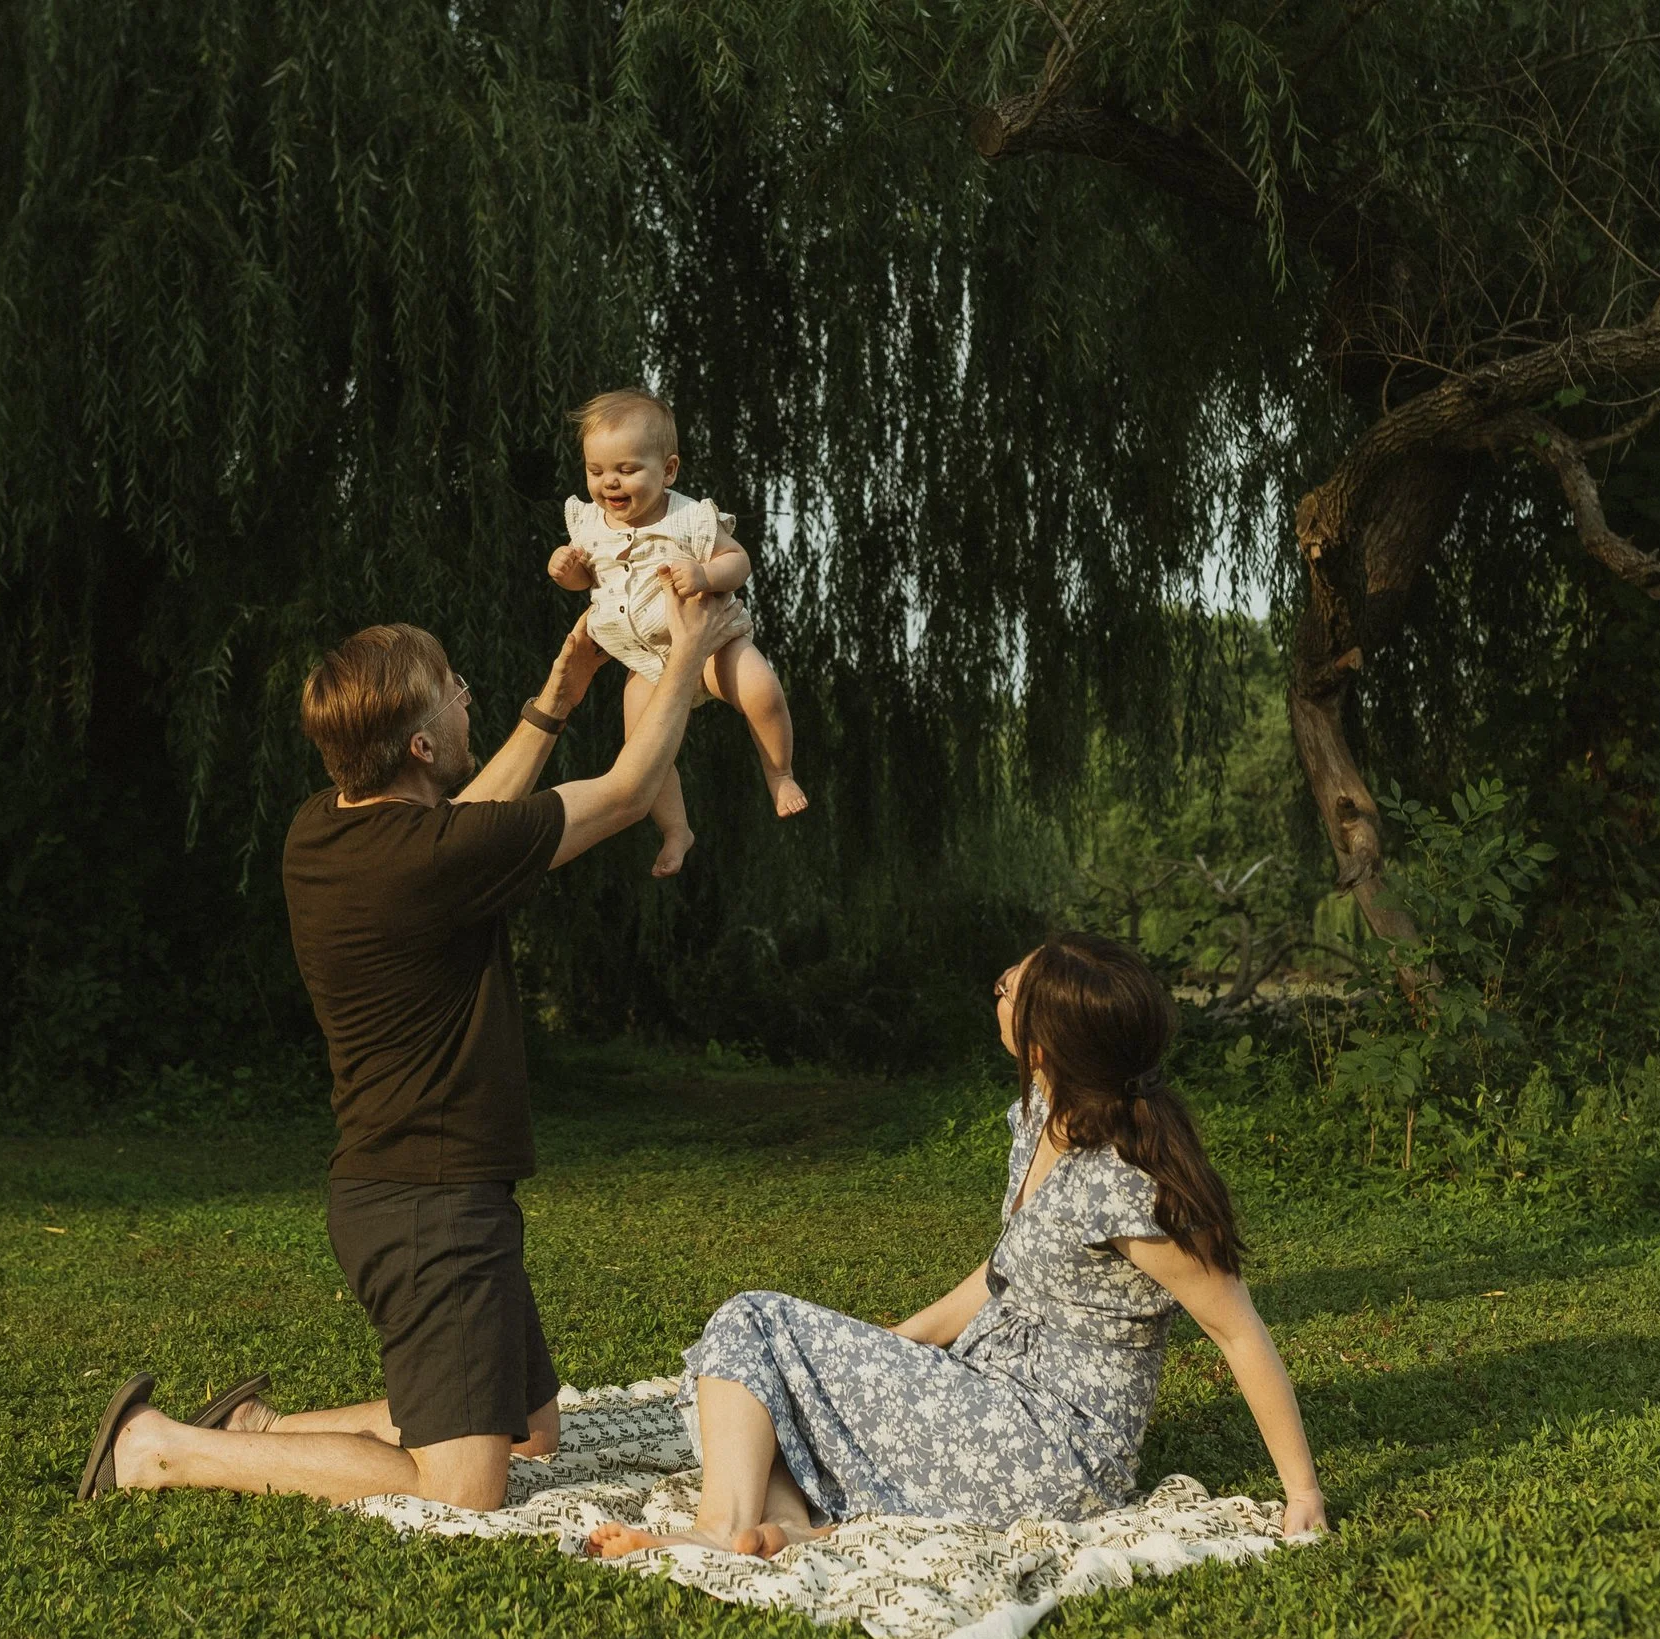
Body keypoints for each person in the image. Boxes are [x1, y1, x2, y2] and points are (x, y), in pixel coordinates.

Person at [75, 581, 750, 1511]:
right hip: (429, 1206)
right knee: (466, 1486)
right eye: (454, 688)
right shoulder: (433, 860)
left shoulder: (321, 830)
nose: (469, 695)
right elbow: (632, 792)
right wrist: (689, 649)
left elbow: (456, 822)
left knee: (532, 1430)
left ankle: (261, 1434)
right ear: (423, 745)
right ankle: (160, 1448)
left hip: (407, 1188)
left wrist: (552, 701)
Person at [590, 931, 1329, 1557]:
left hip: (1050, 1450)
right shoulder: (1046, 1112)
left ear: (1043, 1046)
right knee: (771, 1381)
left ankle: (717, 1529)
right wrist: (895, 1342)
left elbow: (1236, 1327)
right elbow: (1003, 1274)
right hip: (992, 1389)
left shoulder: (1126, 1185)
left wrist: (1301, 1490)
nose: (1000, 985)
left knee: (750, 1321)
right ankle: (787, 1523)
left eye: (1013, 988)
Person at [547, 387, 806, 877]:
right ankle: (675, 829)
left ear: (667, 470)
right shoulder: (589, 523)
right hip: (645, 663)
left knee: (763, 690)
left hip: (711, 646)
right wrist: (567, 569)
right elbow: (588, 579)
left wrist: (706, 576)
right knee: (643, 751)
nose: (610, 484)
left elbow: (739, 561)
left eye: (627, 470)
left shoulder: (689, 517)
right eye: (597, 471)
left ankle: (780, 773)